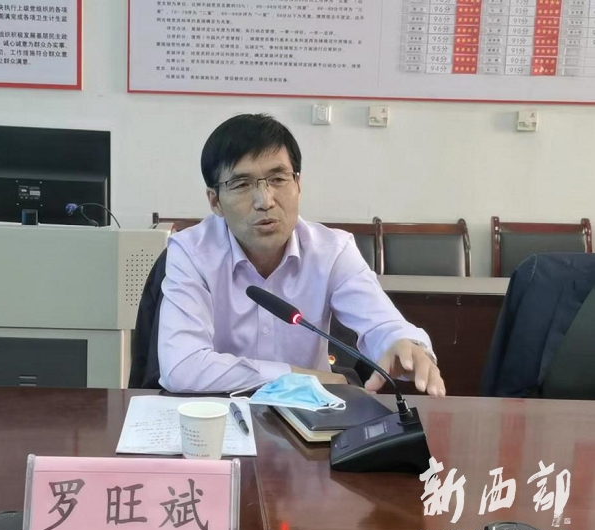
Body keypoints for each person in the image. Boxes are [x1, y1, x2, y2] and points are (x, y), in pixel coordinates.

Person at [158, 114, 445, 397]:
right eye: (242, 184)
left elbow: (382, 324)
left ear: (298, 184)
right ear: (215, 202)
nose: (265, 201)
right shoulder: (191, 253)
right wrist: (301, 377)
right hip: (218, 413)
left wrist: (404, 344)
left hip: (311, 413)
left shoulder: (332, 251)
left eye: (278, 178)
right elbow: (181, 367)